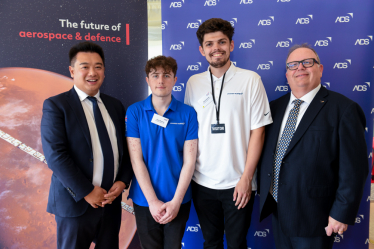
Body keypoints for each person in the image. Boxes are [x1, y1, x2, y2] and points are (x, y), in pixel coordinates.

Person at [258, 43, 368, 249]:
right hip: (278, 212)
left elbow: (354, 169)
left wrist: (341, 212)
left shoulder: (344, 109)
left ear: (320, 69)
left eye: (307, 62)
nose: (299, 68)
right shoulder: (273, 108)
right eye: (293, 65)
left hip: (316, 217)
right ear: (287, 74)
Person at [184, 18, 273, 248]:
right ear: (202, 50)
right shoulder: (193, 83)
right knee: (210, 242)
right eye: (210, 44)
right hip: (202, 182)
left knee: (236, 244)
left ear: (231, 45)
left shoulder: (251, 80)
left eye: (222, 42)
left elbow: (258, 132)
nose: (216, 48)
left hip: (239, 183)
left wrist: (246, 178)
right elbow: (189, 133)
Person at [41, 41, 133, 249]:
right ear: (72, 71)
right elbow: (55, 155)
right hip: (75, 204)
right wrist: (86, 191)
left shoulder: (115, 106)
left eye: (98, 66)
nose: (93, 72)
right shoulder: (57, 105)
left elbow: (125, 149)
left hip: (110, 204)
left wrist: (123, 181)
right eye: (85, 67)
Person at [126, 55, 198, 249]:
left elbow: (190, 161)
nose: (160, 80)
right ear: (147, 80)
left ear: (175, 80)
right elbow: (136, 160)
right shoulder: (135, 112)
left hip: (178, 198)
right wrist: (152, 201)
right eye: (155, 75)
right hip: (144, 199)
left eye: (166, 75)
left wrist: (176, 201)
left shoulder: (188, 113)